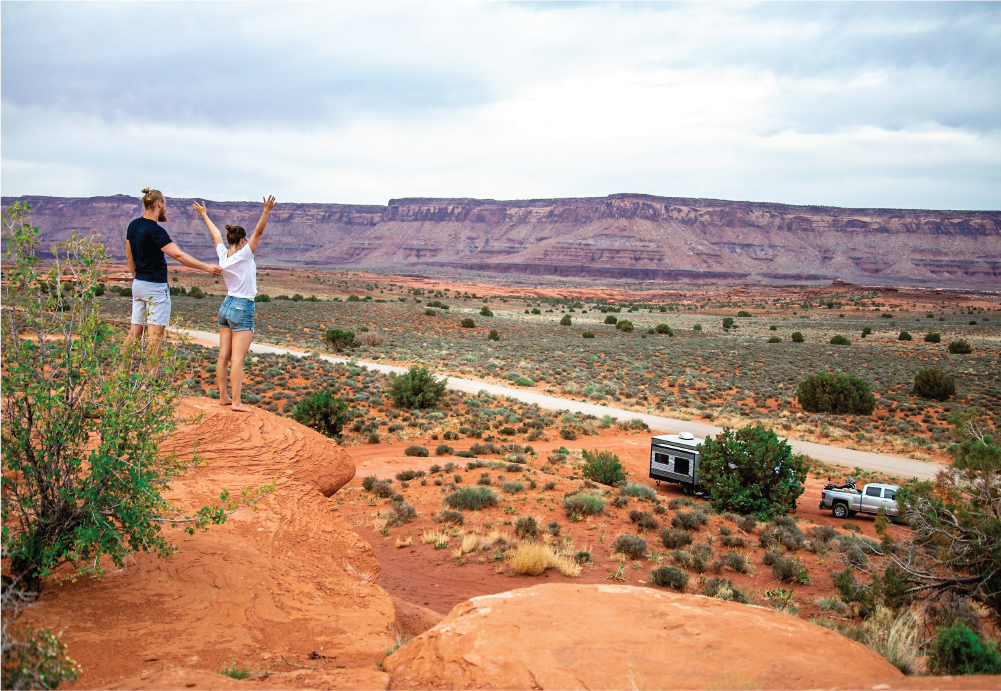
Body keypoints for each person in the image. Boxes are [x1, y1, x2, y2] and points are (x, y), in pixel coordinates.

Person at [192, 196, 277, 412]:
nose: (248, 242)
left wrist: (204, 215)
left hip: (226, 305)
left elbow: (215, 234)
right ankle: (236, 403)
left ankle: (223, 397)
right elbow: (259, 233)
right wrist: (266, 210)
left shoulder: (223, 255)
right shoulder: (245, 255)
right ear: (241, 241)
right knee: (238, 359)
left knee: (223, 355)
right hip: (242, 307)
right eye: (245, 240)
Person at [126, 188, 221, 351]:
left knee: (134, 333)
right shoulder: (156, 231)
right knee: (154, 340)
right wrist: (206, 267)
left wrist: (138, 277)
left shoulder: (134, 225)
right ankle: (151, 377)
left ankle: (122, 372)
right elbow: (178, 255)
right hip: (155, 288)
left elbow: (129, 258)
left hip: (138, 285)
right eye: (165, 205)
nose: (166, 209)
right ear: (159, 203)